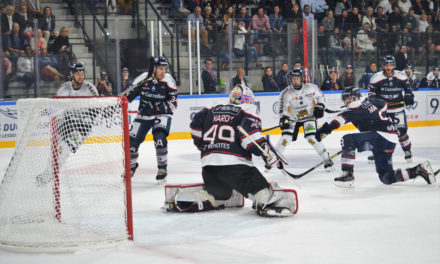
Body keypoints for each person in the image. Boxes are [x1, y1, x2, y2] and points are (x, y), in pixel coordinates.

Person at [165, 84, 298, 216]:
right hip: (236, 167)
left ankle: (199, 197)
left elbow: (195, 126)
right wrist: (268, 155)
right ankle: (265, 201)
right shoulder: (247, 110)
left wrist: (204, 146)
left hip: (209, 167)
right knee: (259, 186)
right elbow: (250, 139)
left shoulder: (211, 109)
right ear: (248, 100)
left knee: (221, 194)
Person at [316, 86, 436, 187]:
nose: (347, 101)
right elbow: (383, 105)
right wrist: (377, 119)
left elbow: (339, 121)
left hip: (381, 137)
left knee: (347, 139)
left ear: (357, 97)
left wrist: (324, 130)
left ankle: (348, 175)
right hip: (390, 138)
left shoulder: (355, 106)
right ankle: (418, 170)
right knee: (386, 177)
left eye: (349, 97)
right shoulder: (368, 101)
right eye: (345, 98)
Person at [35, 63, 99, 185]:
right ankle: (48, 171)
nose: (81, 76)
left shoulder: (90, 89)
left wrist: (90, 117)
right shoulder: (64, 88)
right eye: (77, 74)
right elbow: (58, 106)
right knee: (55, 149)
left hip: (82, 126)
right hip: (67, 122)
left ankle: (49, 175)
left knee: (64, 148)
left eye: (82, 73)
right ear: (71, 75)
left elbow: (96, 108)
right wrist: (47, 111)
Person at [267, 68, 333, 171]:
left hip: (309, 117)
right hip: (293, 118)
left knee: (312, 138)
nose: (295, 80)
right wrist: (283, 118)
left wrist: (320, 106)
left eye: (297, 78)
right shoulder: (286, 93)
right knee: (286, 138)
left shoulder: (311, 88)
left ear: (302, 79)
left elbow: (321, 97)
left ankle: (327, 159)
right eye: (293, 78)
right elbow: (283, 109)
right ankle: (271, 160)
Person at [125, 56, 178, 182]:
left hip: (161, 115)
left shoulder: (169, 80)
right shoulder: (143, 78)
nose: (163, 71)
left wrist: (157, 108)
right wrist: (120, 102)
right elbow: (129, 94)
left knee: (159, 139)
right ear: (154, 68)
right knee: (131, 145)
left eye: (164, 69)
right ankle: (131, 167)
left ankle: (162, 168)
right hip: (143, 114)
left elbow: (173, 104)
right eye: (160, 68)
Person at [368, 55, 414, 163]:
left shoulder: (401, 76)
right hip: (383, 111)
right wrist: (376, 104)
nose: (389, 67)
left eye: (391, 65)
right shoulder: (376, 78)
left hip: (397, 110)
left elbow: (408, 89)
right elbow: (371, 95)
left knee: (402, 132)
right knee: (380, 132)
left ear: (394, 65)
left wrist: (408, 95)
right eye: (386, 65)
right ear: (383, 66)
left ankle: (407, 151)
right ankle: (378, 152)